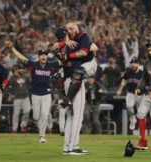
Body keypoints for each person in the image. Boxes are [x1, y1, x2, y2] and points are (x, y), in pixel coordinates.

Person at [53, 21, 98, 155]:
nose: (71, 31)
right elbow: (90, 49)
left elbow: (55, 48)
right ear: (66, 33)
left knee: (70, 116)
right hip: (75, 81)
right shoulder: (77, 42)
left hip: (68, 81)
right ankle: (74, 147)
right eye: (68, 29)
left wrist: (61, 44)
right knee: (78, 115)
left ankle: (67, 147)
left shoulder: (64, 47)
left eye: (72, 28)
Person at [5, 41, 61, 143]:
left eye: (45, 55)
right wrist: (12, 48)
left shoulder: (51, 65)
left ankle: (42, 136)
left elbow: (63, 61)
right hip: (35, 94)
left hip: (47, 93)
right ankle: (38, 124)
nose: (43, 57)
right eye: (41, 55)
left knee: (45, 114)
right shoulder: (33, 65)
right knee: (36, 116)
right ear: (38, 57)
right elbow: (21, 58)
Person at [116, 56, 143, 130]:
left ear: (138, 64)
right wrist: (120, 90)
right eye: (131, 63)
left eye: (135, 63)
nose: (133, 65)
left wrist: (140, 89)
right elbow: (124, 81)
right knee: (129, 106)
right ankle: (133, 118)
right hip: (131, 93)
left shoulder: (142, 73)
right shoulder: (128, 73)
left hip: (140, 95)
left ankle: (141, 130)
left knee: (141, 112)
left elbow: (146, 83)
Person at [8, 63, 31, 133]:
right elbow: (9, 86)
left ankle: (23, 125)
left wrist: (29, 75)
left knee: (27, 111)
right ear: (17, 69)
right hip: (17, 97)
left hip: (25, 96)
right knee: (16, 113)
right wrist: (9, 95)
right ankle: (14, 128)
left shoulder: (26, 76)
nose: (21, 70)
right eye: (20, 69)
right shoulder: (13, 77)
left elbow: (30, 84)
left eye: (22, 69)